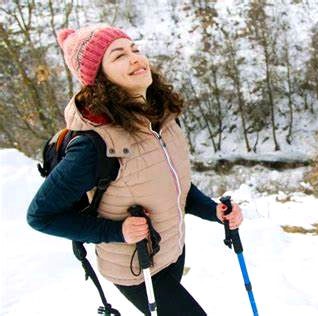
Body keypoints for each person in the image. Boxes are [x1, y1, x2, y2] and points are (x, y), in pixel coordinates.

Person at [26, 24, 243, 315]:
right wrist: (118, 231)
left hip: (170, 250)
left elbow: (174, 186)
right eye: (118, 55)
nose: (135, 58)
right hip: (134, 268)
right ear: (99, 78)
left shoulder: (162, 119)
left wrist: (213, 210)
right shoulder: (94, 145)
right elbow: (41, 216)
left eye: (135, 49)